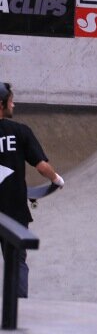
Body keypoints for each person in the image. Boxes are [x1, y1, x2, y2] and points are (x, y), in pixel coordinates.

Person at [0, 82, 64, 298]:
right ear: (1, 104)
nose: (13, 105)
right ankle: (19, 308)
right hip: (14, 213)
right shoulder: (20, 132)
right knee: (16, 262)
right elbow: (42, 167)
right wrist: (57, 180)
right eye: (11, 101)